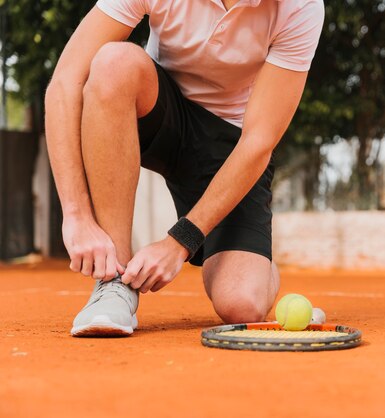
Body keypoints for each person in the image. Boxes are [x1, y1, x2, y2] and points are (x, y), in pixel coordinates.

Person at [44, 0, 325, 336]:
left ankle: (258, 265)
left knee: (240, 305)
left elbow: (259, 141)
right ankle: (113, 283)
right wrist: (76, 215)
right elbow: (65, 81)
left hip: (231, 147)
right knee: (113, 62)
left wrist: (180, 242)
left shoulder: (301, 7)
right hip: (161, 111)